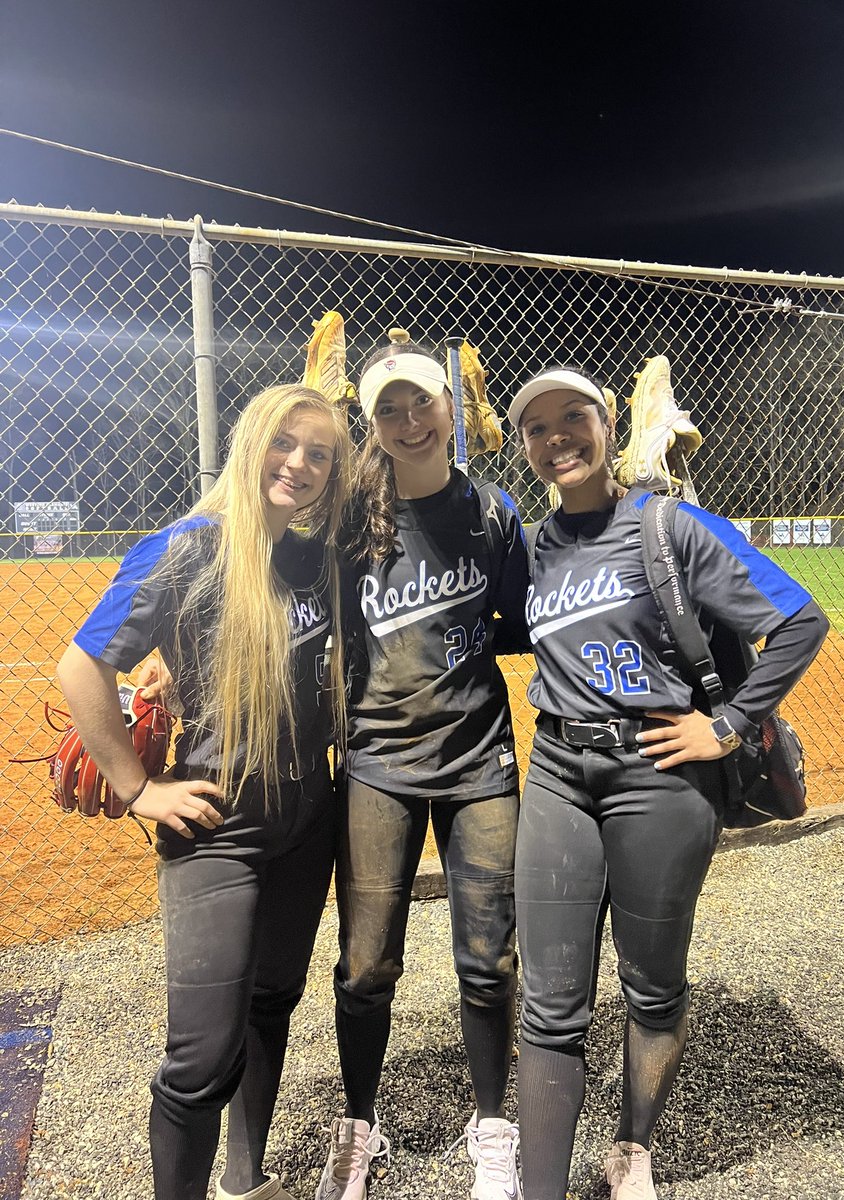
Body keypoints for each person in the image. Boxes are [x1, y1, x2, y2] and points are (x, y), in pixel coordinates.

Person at [505, 365, 829, 1200]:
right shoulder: (534, 547)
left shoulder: (669, 525)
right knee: (548, 1001)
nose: (556, 438)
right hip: (558, 771)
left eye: (572, 416)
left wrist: (726, 725)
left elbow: (799, 620)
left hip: (660, 773)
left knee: (651, 985)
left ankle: (632, 1150)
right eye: (536, 428)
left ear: (608, 422)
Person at [56, 384, 351, 1200]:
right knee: (200, 1056)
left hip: (308, 816)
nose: (299, 463)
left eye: (319, 454)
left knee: (273, 1003)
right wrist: (137, 786)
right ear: (251, 443)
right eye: (285, 444)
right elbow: (83, 667)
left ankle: (244, 1182)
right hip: (218, 820)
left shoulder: (309, 557)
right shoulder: (185, 547)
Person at [315, 329, 530, 1200]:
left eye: (422, 401)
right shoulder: (346, 524)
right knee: (366, 965)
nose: (408, 419)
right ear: (373, 424)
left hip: (480, 762)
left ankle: (494, 1132)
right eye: (389, 408)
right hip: (377, 766)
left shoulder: (493, 514)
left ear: (451, 408)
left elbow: (521, 622)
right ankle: (359, 1128)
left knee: (489, 962)